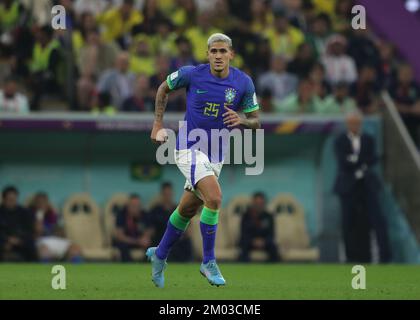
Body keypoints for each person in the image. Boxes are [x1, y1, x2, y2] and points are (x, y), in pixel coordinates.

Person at [148, 33, 260, 287]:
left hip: (216, 155)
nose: (218, 56)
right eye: (213, 52)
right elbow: (163, 88)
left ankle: (159, 254)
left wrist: (242, 120)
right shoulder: (191, 74)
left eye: (223, 52)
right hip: (188, 148)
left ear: (231, 54)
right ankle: (208, 261)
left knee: (188, 209)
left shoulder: (243, 82)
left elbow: (256, 121)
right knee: (215, 198)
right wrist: (157, 125)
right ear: (207, 54)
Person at [334, 111, 391, 263]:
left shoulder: (368, 139)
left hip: (366, 184)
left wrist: (354, 159)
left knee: (377, 220)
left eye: (357, 123)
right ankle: (350, 258)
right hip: (348, 186)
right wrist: (361, 161)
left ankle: (384, 258)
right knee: (348, 222)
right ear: (347, 124)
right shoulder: (340, 140)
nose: (354, 126)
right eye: (352, 123)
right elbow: (343, 162)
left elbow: (373, 159)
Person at [29, 192, 83, 263]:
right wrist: (40, 214)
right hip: (43, 241)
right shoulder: (31, 213)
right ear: (35, 203)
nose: (42, 204)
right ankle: (44, 271)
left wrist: (57, 228)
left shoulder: (53, 214)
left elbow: (62, 233)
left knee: (75, 248)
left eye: (44, 202)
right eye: (39, 202)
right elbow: (38, 231)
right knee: (44, 250)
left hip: (57, 240)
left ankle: (77, 271)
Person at [148, 182, 193, 262]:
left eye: (169, 193)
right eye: (165, 194)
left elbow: (188, 227)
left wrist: (185, 234)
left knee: (186, 242)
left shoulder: (179, 209)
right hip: (160, 239)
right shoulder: (156, 210)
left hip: (177, 240)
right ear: (162, 194)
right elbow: (150, 229)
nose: (167, 196)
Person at [239, 192, 279, 262]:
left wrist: (263, 241)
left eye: (261, 203)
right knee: (243, 246)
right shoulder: (246, 216)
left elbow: (271, 234)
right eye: (257, 203)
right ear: (253, 203)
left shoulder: (268, 216)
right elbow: (244, 233)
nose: (259, 205)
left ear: (264, 203)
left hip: (264, 242)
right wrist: (253, 241)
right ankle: (245, 268)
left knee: (273, 246)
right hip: (250, 241)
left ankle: (272, 268)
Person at [0, 186, 37, 262]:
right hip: (4, 241)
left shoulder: (24, 212)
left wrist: (18, 240)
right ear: (4, 199)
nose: (11, 201)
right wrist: (7, 239)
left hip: (21, 242)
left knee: (30, 243)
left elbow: (29, 230)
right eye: (9, 199)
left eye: (13, 199)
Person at [112, 194, 153, 262]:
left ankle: (145, 266)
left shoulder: (144, 214)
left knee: (152, 245)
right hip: (127, 242)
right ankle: (128, 266)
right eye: (133, 206)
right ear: (128, 206)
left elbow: (150, 229)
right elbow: (120, 236)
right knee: (122, 245)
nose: (135, 208)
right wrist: (137, 241)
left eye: (137, 206)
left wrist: (146, 237)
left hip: (140, 242)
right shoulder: (121, 215)